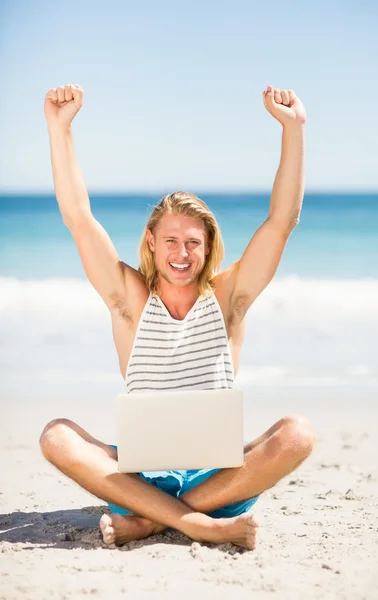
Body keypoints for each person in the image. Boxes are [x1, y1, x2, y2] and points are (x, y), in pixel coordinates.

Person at [39, 83, 314, 551]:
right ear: (151, 242)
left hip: (214, 475)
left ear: (207, 247)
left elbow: (281, 221)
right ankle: (199, 524)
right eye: (170, 241)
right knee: (56, 437)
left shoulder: (229, 297)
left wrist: (294, 129)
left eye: (193, 242)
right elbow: (80, 220)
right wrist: (59, 129)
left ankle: (150, 520)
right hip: (143, 472)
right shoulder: (129, 298)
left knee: (298, 434)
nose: (181, 253)